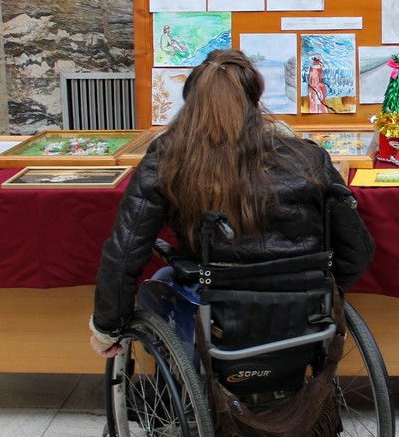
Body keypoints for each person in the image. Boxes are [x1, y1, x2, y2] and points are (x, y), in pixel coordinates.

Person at [89, 49, 375, 357]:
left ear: (191, 105)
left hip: (216, 309)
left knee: (160, 283)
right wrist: (320, 289)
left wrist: (108, 328)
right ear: (255, 102)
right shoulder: (307, 158)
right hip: (299, 310)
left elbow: (125, 250)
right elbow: (357, 251)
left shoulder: (168, 157)